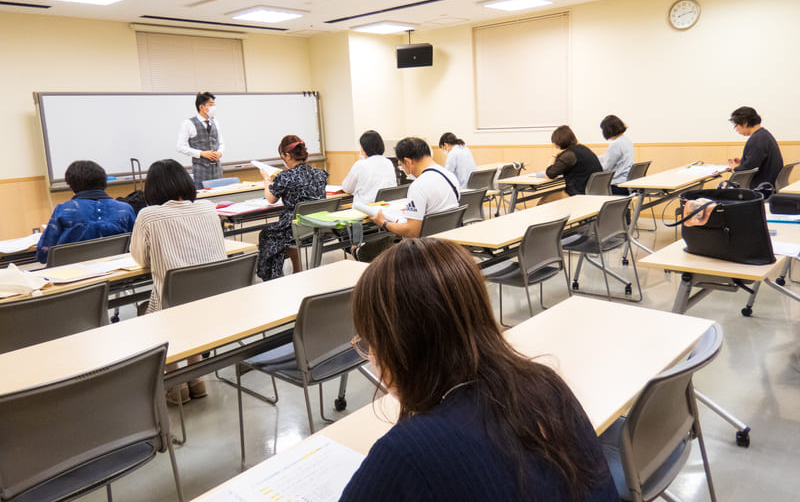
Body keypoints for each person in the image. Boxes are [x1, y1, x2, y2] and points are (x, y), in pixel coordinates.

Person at [340, 238, 619, 501]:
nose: (372, 357)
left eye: (369, 342)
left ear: (399, 343)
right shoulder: (546, 383)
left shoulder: (406, 453)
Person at [130, 159, 227, 403]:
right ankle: (196, 378)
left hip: (173, 306)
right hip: (217, 300)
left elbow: (140, 258)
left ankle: (175, 385)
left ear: (152, 189)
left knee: (151, 312)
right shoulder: (207, 207)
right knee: (191, 304)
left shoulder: (148, 215)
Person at [256, 135, 328, 281]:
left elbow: (270, 199)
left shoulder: (285, 176)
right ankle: (297, 270)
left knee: (267, 234)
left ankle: (276, 277)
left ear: (287, 155)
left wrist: (266, 180)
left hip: (294, 227)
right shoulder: (320, 173)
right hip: (318, 226)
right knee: (286, 231)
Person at [36, 160, 136, 263]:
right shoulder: (125, 209)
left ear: (71, 185)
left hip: (73, 274)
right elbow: (137, 245)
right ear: (103, 182)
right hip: (117, 271)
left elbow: (43, 254)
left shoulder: (63, 210)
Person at [371, 137, 459, 238]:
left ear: (407, 162)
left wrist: (384, 222)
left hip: (426, 247)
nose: (402, 168)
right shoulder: (450, 176)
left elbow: (411, 232)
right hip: (450, 243)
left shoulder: (418, 185)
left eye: (400, 164)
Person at [176, 91, 225, 190]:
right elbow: (180, 147)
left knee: (220, 193)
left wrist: (220, 152)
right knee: (203, 194)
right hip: (201, 168)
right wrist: (201, 153)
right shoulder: (188, 123)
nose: (213, 107)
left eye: (214, 105)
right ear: (201, 107)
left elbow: (221, 143)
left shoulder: (215, 122)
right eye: (211, 105)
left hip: (217, 167)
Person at [728, 106, 783, 188]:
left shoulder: (756, 139)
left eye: (736, 126)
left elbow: (748, 170)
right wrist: (742, 162)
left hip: (761, 188)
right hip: (770, 184)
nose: (736, 129)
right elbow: (755, 162)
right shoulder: (764, 135)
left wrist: (735, 168)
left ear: (745, 123)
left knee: (723, 186)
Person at [342, 130, 397, 205]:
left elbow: (347, 188)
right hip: (385, 207)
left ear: (364, 148)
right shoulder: (388, 162)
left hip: (365, 210)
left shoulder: (360, 165)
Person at [546, 125, 603, 196]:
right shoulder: (583, 148)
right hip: (593, 192)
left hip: (578, 194)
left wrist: (554, 155)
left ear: (558, 143)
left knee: (544, 201)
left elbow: (549, 174)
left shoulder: (569, 155)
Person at [598, 115, 634, 195]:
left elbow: (607, 167)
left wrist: (595, 165)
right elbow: (611, 158)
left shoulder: (615, 144)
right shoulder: (627, 140)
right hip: (628, 183)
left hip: (617, 185)